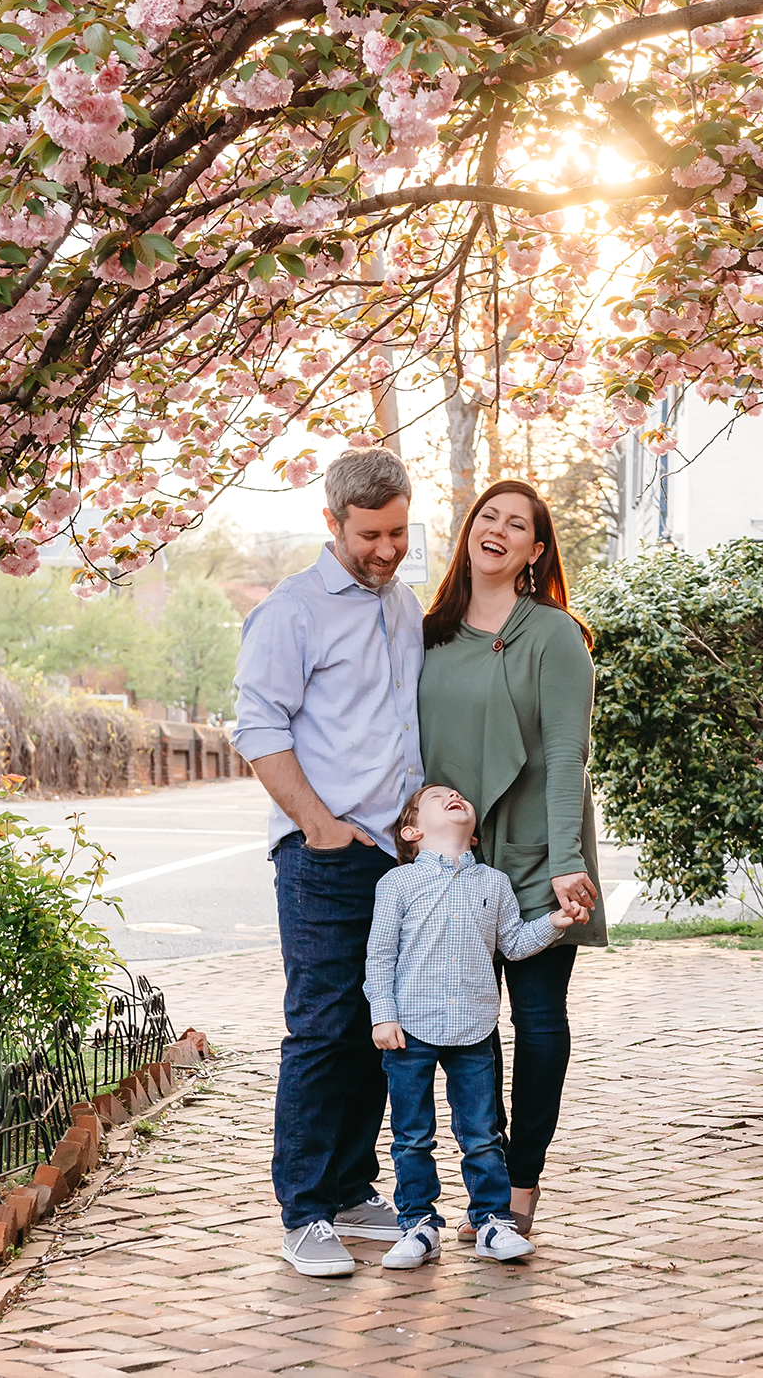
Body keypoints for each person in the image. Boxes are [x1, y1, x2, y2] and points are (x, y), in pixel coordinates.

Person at [232, 447, 424, 1278]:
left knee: (374, 1028)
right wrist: (318, 824)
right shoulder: (293, 612)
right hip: (325, 855)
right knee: (318, 1030)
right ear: (332, 524)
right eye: (369, 535)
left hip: (396, 854)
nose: (385, 550)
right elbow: (258, 728)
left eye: (398, 532)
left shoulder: (403, 603)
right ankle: (304, 1210)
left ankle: (350, 1188)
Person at [418, 479, 606, 1242]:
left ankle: (519, 1185)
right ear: (469, 531)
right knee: (465, 1028)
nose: (497, 529)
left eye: (516, 524)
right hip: (454, 863)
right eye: (487, 516)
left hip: (534, 857)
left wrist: (565, 860)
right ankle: (484, 1183)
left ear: (535, 550)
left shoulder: (554, 633)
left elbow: (568, 754)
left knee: (535, 1021)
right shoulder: (427, 632)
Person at [364, 783, 588, 1269]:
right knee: (411, 1135)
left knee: (482, 1133)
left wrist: (554, 923)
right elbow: (380, 956)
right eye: (437, 796)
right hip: (410, 1032)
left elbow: (513, 943)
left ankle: (492, 1222)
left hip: (473, 1031)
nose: (453, 796)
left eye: (459, 795)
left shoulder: (494, 883)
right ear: (413, 829)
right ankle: (418, 1226)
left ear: (475, 834)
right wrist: (382, 1014)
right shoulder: (397, 884)